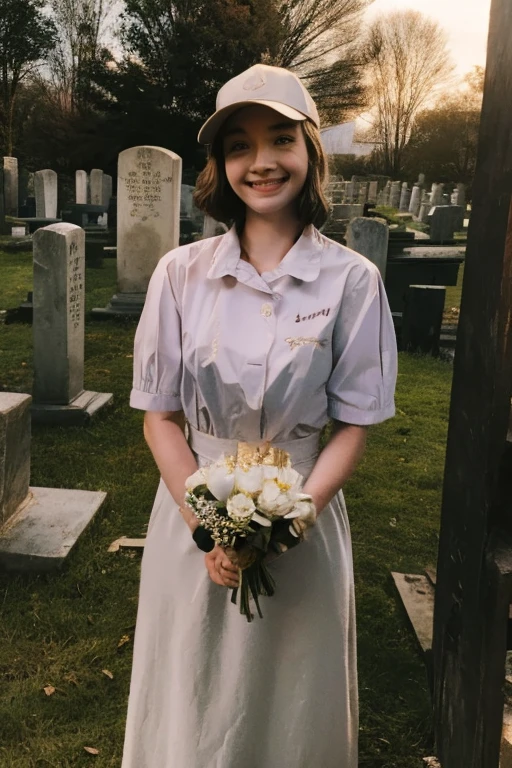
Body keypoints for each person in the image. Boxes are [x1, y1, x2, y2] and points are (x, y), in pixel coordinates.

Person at [122, 63, 397, 768]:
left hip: (303, 520)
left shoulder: (352, 281)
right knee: (193, 689)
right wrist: (208, 528)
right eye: (239, 146)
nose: (261, 162)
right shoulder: (180, 274)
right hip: (193, 517)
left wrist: (291, 519)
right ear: (220, 165)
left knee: (289, 701)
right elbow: (160, 417)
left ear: (310, 152)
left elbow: (355, 421)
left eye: (280, 139)